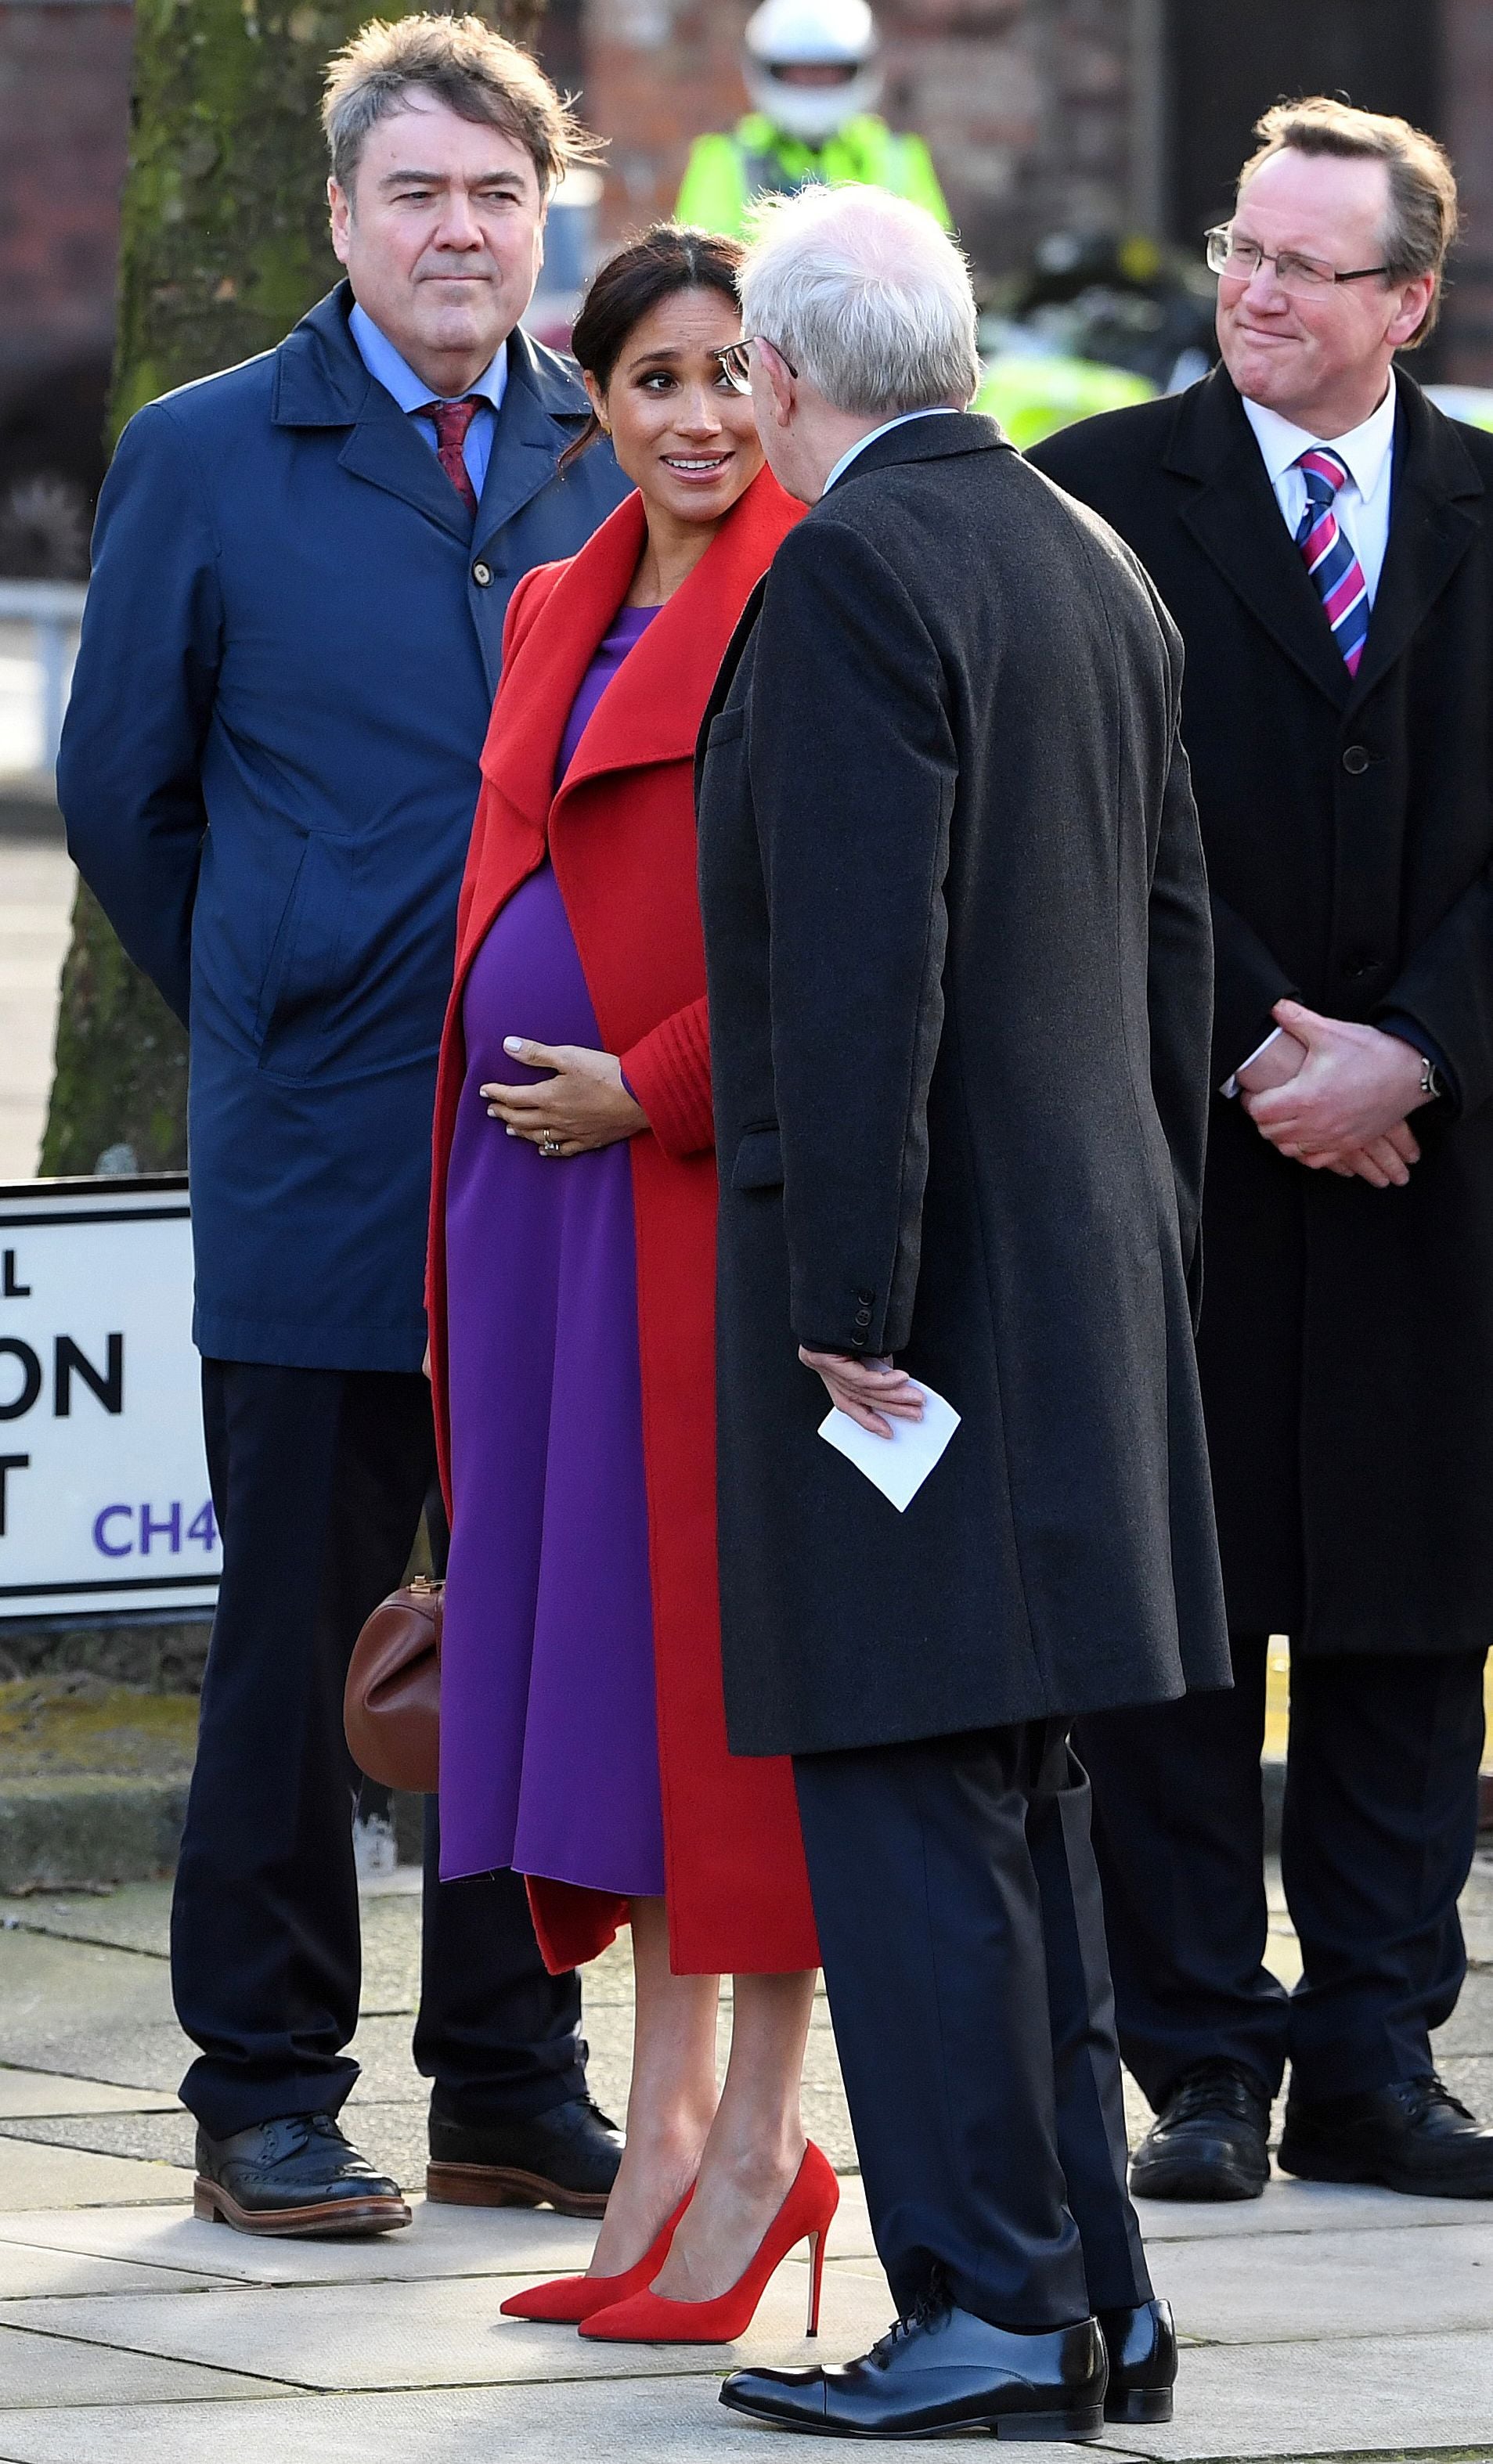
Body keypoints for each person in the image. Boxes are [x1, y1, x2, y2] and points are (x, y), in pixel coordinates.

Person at [56, 16, 632, 2237]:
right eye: (418, 195)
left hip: (557, 1152)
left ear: (537, 214)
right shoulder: (212, 451)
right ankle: (263, 2087)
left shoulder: (605, 444)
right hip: (321, 1145)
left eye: (497, 195)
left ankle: (505, 2074)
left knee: (529, 1616)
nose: (461, 232)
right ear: (337, 219)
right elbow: (126, 788)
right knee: (298, 1640)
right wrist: (278, 987)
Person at [697, 185, 1231, 2442]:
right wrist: (1148, 1235)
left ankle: (989, 2310)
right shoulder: (1089, 557)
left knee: (913, 1807)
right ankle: (1089, 2297)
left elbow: (856, 970)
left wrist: (842, 1297)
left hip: (915, 1315)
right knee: (1022, 1814)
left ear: (786, 380)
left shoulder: (849, 577)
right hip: (1089, 1283)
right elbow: (1181, 942)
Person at [1033, 96, 1493, 2205]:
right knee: (1182, 1632)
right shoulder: (1093, 499)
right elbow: (1073, 825)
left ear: (1409, 297)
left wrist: (1414, 1050)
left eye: (1310, 263)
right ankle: (1198, 2061)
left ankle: (1376, 2057)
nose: (1254, 286)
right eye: (1241, 246)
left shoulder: (1492, 510)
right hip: (1184, 1166)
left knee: (1411, 1621)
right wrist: (1265, 1057)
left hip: (1439, 1174)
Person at [426, 225, 831, 2343]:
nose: (693, 413)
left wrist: (654, 1087)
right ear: (590, 399)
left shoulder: (811, 587)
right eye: (652, 377)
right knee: (606, 1682)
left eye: (725, 372)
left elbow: (858, 926)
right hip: (538, 1230)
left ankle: (767, 2141)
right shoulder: (558, 602)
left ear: (778, 385)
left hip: (700, 1208)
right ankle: (657, 2133)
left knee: (720, 1687)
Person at [676, 0, 947, 243]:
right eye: (801, 72)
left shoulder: (899, 156)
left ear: (857, 69)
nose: (814, 83)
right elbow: (703, 265)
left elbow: (933, 268)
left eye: (828, 72)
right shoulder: (723, 156)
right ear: (770, 69)